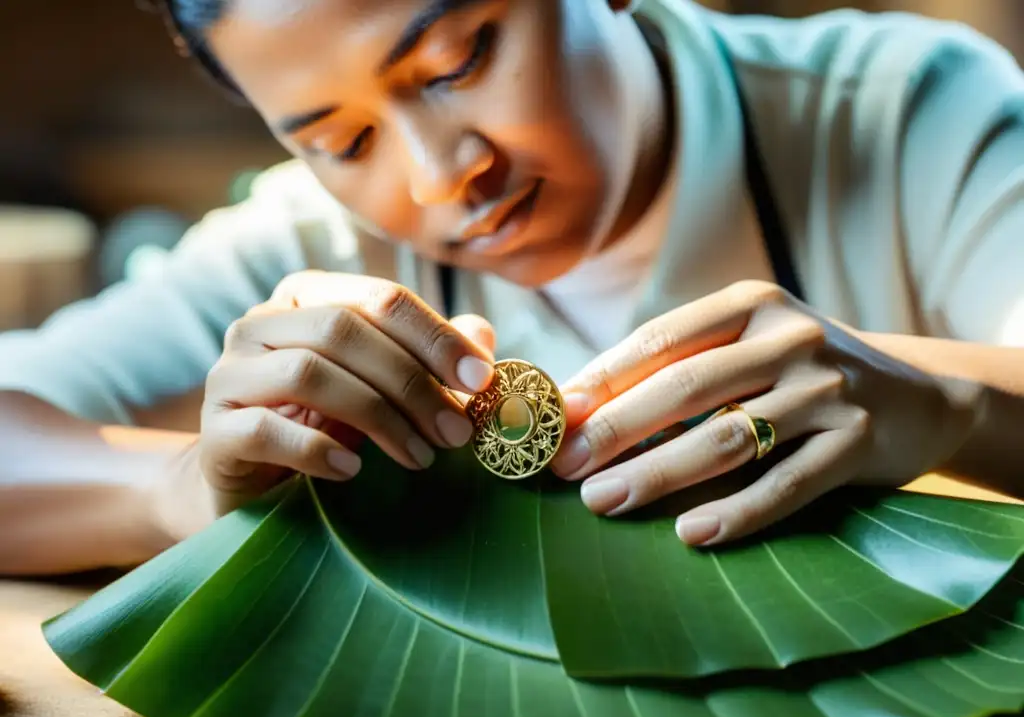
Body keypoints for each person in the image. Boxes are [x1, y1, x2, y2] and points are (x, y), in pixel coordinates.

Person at [1, 0, 1023, 578]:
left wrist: (947, 403)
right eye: (342, 140)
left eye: (461, 57)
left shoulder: (907, 115)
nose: (441, 173)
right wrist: (175, 489)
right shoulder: (311, 242)